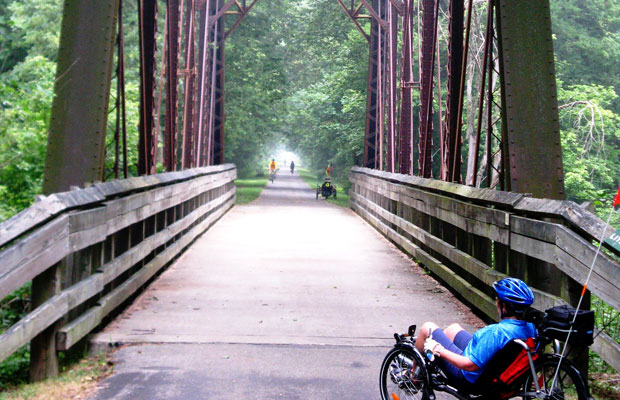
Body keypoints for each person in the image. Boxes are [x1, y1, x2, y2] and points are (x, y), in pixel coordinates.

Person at [414, 278, 536, 389]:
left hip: (467, 376)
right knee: (453, 328)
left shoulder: (497, 333)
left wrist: (439, 350)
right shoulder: (530, 329)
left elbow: (469, 365)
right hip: (489, 368)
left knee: (427, 328)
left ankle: (412, 377)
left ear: (503, 306)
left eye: (497, 300)